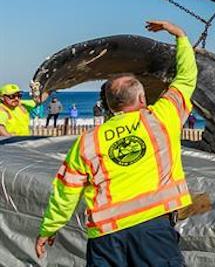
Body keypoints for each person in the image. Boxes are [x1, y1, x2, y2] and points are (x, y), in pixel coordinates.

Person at [36, 20, 197, 266]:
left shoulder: (88, 142)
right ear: (142, 97)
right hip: (153, 228)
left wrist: (49, 228)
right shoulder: (163, 118)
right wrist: (181, 36)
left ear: (110, 105)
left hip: (106, 236)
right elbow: (186, 79)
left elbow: (65, 191)